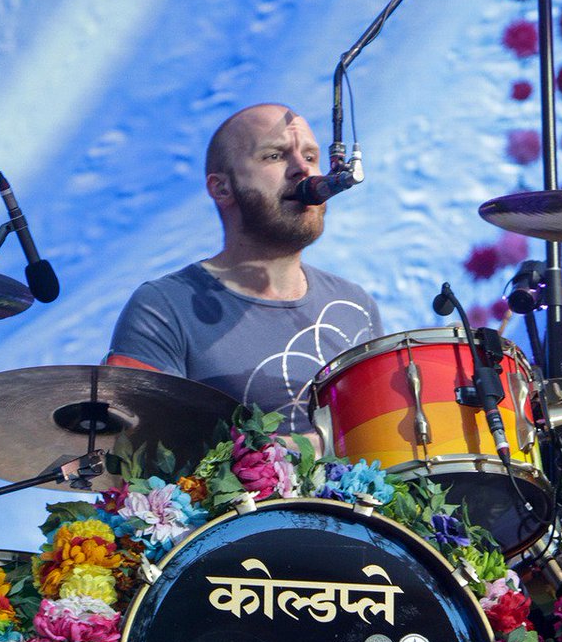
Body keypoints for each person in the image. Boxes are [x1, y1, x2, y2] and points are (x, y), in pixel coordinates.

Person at [106, 103, 382, 433]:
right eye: (275, 156)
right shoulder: (164, 307)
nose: (303, 171)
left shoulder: (356, 305)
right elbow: (132, 455)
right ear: (221, 188)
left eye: (310, 157)